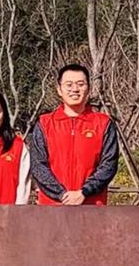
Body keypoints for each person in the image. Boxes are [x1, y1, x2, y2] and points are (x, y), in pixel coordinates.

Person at [26, 62, 118, 205]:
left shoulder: (103, 124)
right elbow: (38, 166)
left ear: (89, 89)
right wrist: (61, 194)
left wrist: (84, 192)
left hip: (91, 205)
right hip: (52, 207)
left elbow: (109, 165)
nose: (75, 89)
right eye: (69, 85)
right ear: (59, 89)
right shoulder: (44, 124)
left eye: (80, 84)